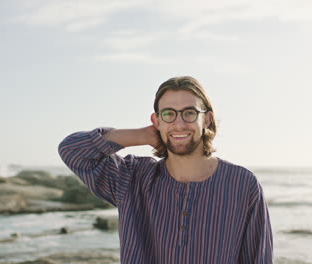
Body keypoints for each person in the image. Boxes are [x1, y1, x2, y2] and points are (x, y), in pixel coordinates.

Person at [58, 76, 273, 263]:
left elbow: (258, 258)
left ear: (206, 118)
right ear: (156, 120)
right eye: (169, 114)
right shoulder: (131, 178)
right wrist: (141, 136)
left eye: (189, 113)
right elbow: (73, 150)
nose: (179, 124)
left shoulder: (242, 184)